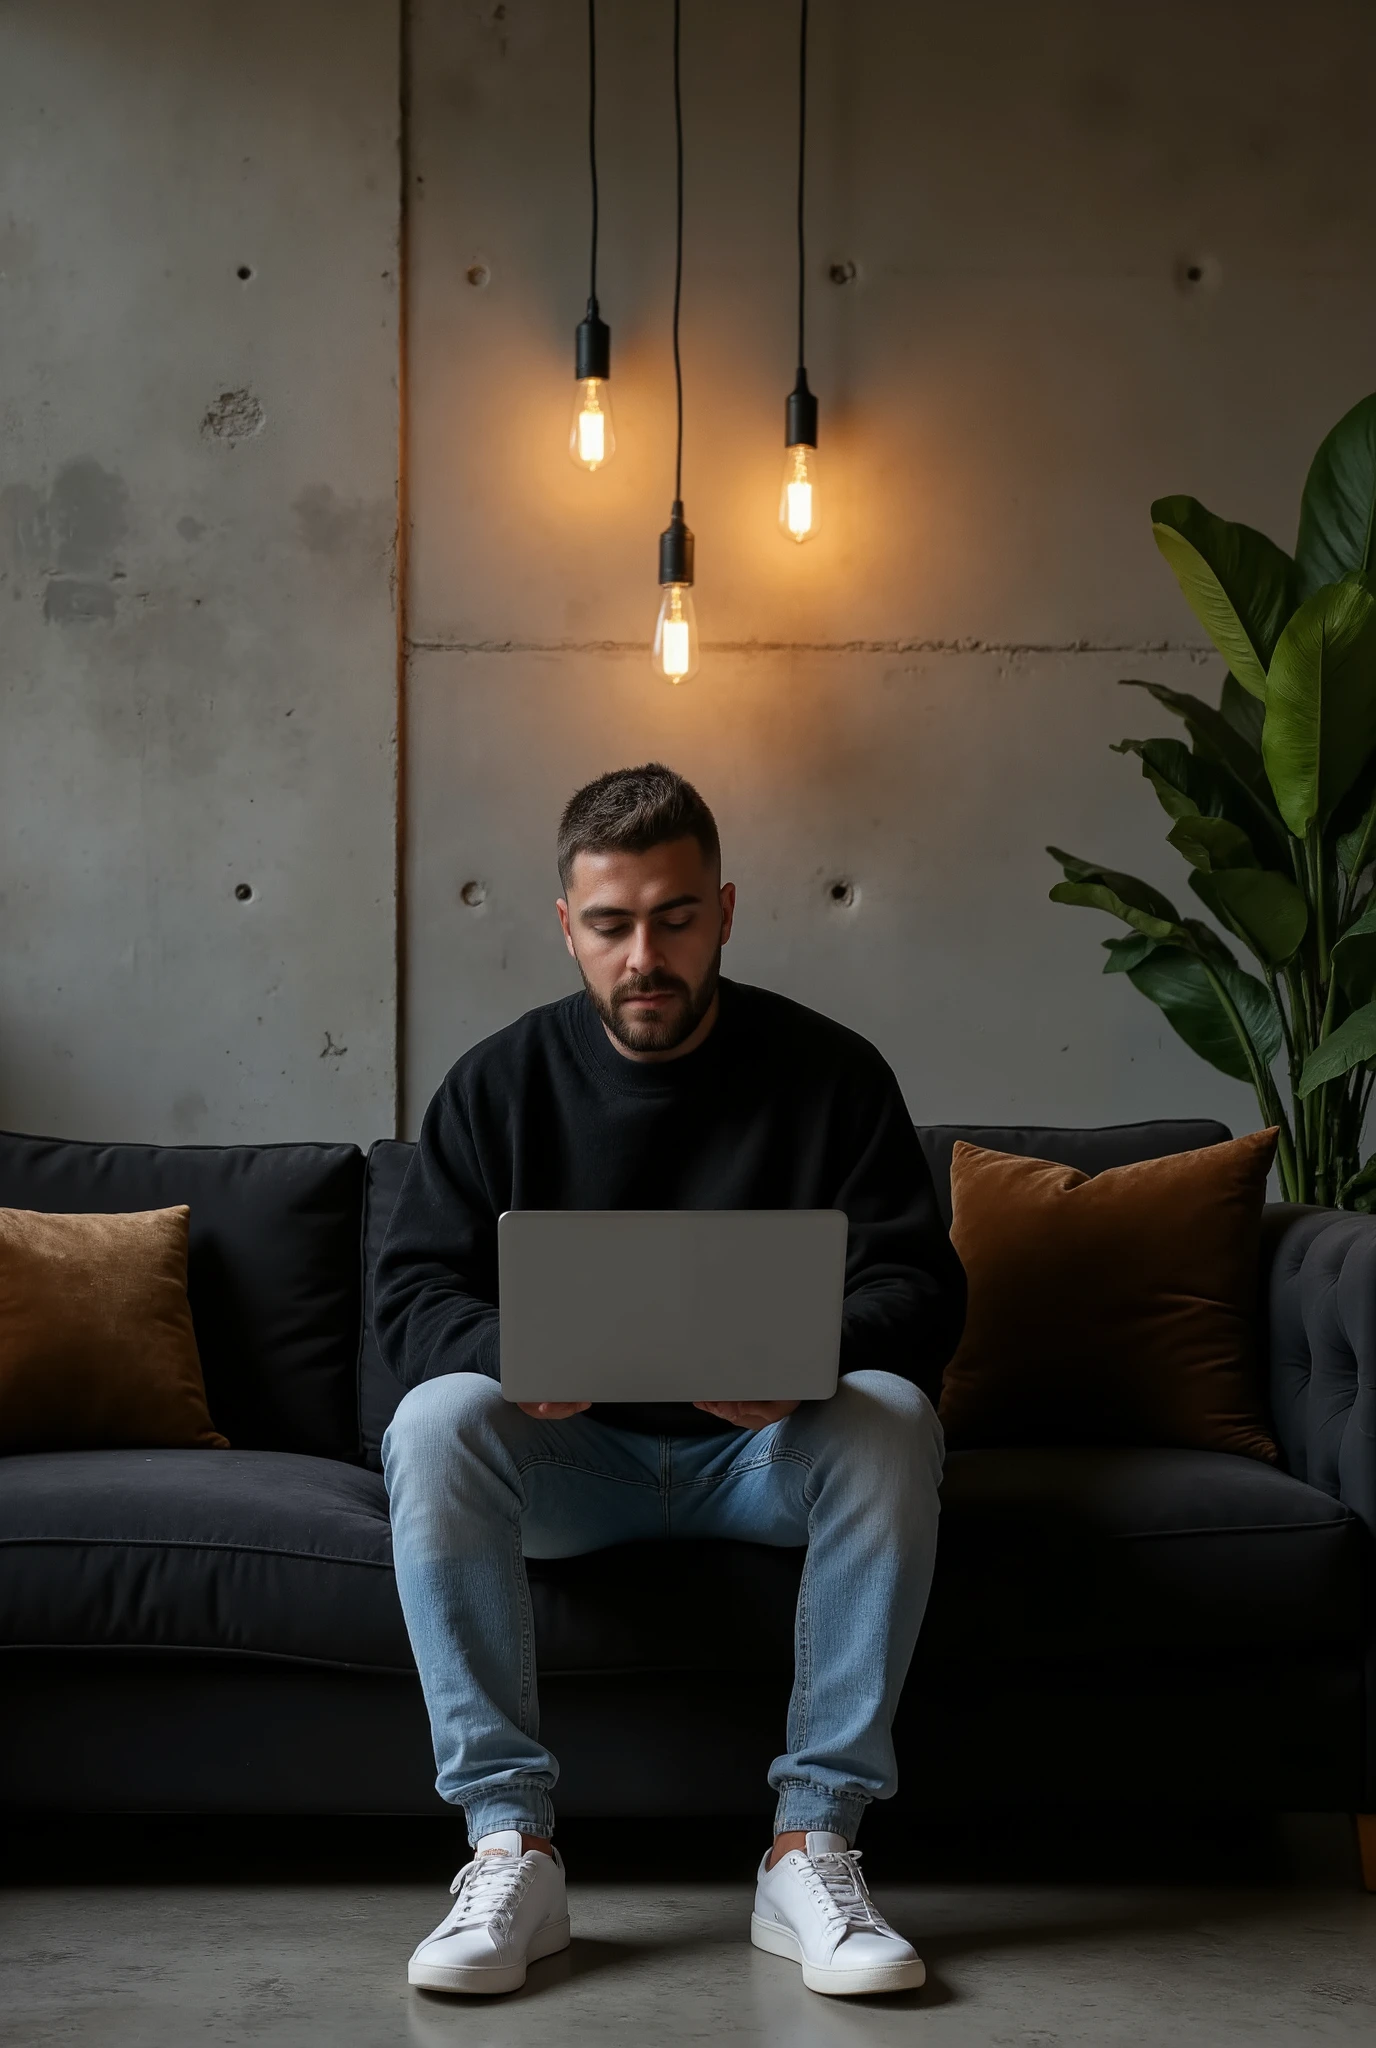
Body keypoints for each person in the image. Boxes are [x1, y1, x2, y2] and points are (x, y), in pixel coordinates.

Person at [376, 763, 966, 1999]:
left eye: (675, 917)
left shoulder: (832, 1071)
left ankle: (812, 1841)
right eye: (611, 923)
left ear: (726, 910)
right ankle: (508, 1843)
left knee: (894, 1414)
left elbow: (920, 1287)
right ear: (567, 927)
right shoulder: (495, 1083)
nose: (644, 953)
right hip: (565, 1466)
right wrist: (514, 1358)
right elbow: (412, 1304)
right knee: (435, 1418)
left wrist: (805, 1360)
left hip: (768, 1459)